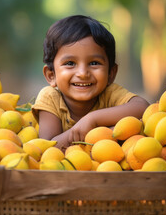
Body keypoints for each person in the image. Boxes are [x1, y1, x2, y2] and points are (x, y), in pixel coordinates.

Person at [32, 15, 149, 151]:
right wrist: (92, 132)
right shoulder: (50, 98)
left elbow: (143, 107)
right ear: (51, 75)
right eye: (70, 63)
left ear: (111, 73)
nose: (82, 73)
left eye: (94, 63)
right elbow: (47, 148)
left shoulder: (110, 94)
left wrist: (93, 119)